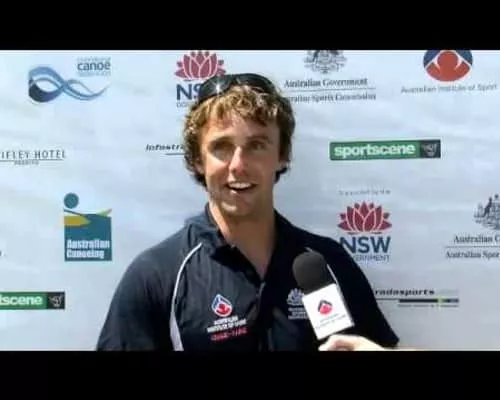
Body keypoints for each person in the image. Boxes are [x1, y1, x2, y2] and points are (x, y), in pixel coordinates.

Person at [96, 72, 400, 351]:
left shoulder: (326, 263)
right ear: (198, 161)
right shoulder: (157, 275)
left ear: (281, 155)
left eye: (256, 145)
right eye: (221, 147)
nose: (238, 165)